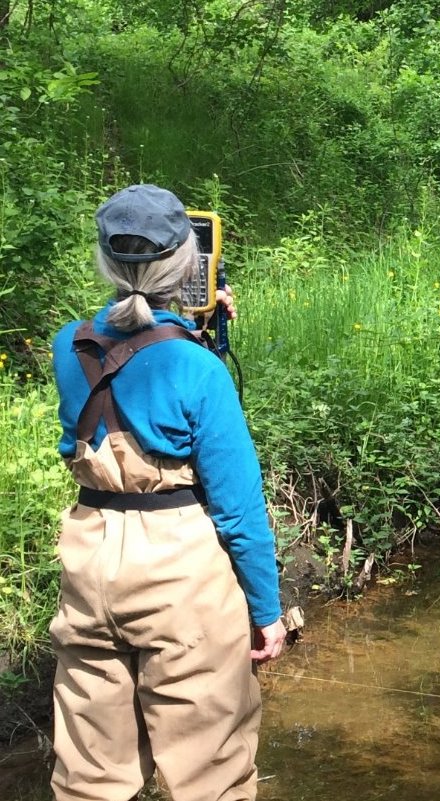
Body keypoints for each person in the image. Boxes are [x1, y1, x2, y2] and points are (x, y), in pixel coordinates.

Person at [49, 184, 286, 801]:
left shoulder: (67, 345)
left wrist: (194, 331)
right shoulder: (197, 367)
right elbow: (238, 507)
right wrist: (266, 612)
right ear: (187, 267)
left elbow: (129, 365)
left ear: (105, 262)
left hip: (90, 557)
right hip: (179, 568)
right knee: (210, 773)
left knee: (90, 777)